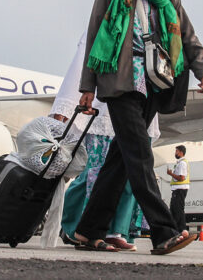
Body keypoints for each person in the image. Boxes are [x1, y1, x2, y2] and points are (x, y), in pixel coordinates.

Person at [74, 0, 203, 254]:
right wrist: (88, 86)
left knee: (120, 162)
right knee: (139, 155)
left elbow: (188, 37)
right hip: (120, 80)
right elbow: (96, 33)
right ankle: (164, 231)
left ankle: (87, 230)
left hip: (155, 83)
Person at [51, 32, 160, 251]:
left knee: (129, 174)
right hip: (104, 109)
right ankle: (79, 227)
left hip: (138, 107)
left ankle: (116, 230)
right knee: (97, 171)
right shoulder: (105, 22)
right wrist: (65, 104)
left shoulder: (150, 22)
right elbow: (83, 62)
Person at [167, 145, 189, 232]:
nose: (175, 153)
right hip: (178, 190)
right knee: (174, 209)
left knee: (177, 210)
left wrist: (170, 174)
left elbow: (181, 178)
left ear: (181, 152)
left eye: (176, 151)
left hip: (180, 190)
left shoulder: (182, 163)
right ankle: (178, 230)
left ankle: (181, 230)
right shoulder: (179, 163)